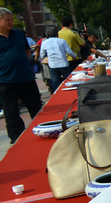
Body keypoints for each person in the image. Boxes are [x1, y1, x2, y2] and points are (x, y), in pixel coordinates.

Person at [0, 7, 42, 143]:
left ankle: (41, 131)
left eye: (12, 19)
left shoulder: (18, 34)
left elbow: (27, 51)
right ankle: (16, 138)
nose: (11, 22)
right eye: (7, 20)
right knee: (11, 112)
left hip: (25, 77)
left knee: (36, 107)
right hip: (5, 81)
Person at [38, 27, 77, 92]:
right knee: (69, 80)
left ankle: (57, 94)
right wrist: (74, 56)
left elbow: (42, 54)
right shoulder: (62, 41)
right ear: (56, 34)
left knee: (55, 82)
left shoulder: (44, 42)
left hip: (53, 65)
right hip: (63, 64)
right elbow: (69, 51)